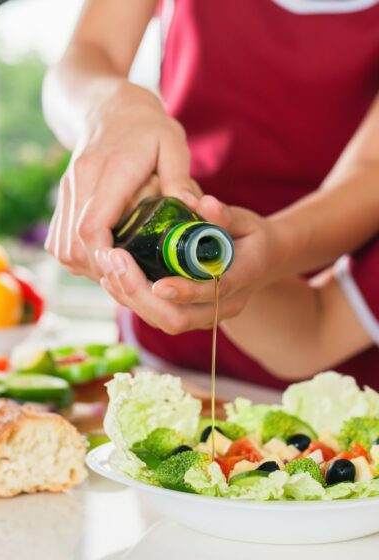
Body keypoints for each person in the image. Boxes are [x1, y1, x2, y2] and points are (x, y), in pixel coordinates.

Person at [42, 0, 379, 389]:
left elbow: (369, 170)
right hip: (163, 328)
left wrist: (270, 247)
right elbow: (86, 55)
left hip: (344, 348)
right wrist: (109, 107)